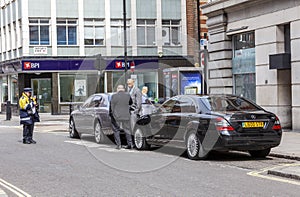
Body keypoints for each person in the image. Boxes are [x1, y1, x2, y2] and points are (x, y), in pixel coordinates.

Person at [109, 84, 133, 149]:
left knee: (116, 130)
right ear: (123, 89)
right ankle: (130, 144)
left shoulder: (114, 96)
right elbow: (131, 103)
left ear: (117, 89)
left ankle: (119, 145)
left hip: (116, 116)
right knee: (127, 130)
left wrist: (111, 115)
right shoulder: (128, 95)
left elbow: (111, 107)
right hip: (126, 115)